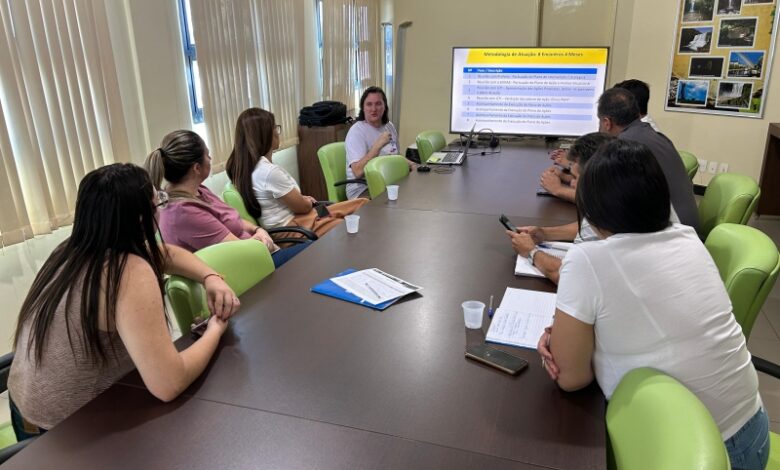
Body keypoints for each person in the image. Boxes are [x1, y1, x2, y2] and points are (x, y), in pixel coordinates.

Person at [537, 140, 768, 470]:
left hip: (699, 454)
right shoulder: (687, 238)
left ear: (592, 210)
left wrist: (559, 344)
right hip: (753, 431)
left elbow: (570, 378)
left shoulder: (587, 259)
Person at [8, 164, 240, 439]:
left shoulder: (71, 250)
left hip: (23, 406)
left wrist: (210, 276)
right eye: (157, 203)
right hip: (62, 431)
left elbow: (164, 253)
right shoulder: (128, 271)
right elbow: (169, 383)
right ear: (142, 218)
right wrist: (214, 329)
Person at [145, 130, 310, 268]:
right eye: (208, 155)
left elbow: (231, 218)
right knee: (313, 251)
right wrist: (260, 241)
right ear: (196, 168)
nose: (211, 159)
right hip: (249, 269)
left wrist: (257, 230)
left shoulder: (198, 190)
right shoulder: (183, 212)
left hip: (258, 252)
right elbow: (239, 252)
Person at [226, 108, 367, 238]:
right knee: (349, 227)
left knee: (363, 203)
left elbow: (282, 200)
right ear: (265, 134)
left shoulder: (248, 167)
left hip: (301, 218)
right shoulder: (268, 172)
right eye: (275, 127)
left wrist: (302, 199)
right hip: (294, 226)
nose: (277, 132)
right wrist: (305, 201)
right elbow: (303, 207)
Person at [507, 133, 614, 284]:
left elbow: (571, 277)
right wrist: (545, 234)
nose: (572, 184)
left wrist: (531, 252)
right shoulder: (614, 201)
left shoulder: (622, 226)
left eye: (575, 177)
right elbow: (590, 227)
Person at [597, 87, 699, 231]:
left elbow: (601, 199)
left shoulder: (624, 146)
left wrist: (563, 189)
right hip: (688, 226)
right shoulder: (656, 136)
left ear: (607, 123)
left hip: (672, 231)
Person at [345, 86, 410, 199]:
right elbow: (358, 171)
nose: (374, 109)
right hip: (363, 189)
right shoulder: (356, 131)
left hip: (388, 182)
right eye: (369, 104)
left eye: (378, 104)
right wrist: (377, 146)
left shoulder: (389, 126)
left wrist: (412, 164)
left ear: (384, 106)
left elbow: (395, 156)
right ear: (363, 108)